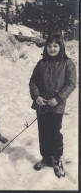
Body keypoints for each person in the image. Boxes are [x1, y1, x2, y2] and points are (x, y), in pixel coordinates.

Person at [29, 34, 76, 178]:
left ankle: (56, 159)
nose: (52, 49)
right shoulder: (41, 63)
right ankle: (46, 157)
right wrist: (36, 96)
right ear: (46, 47)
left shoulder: (68, 63)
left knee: (54, 131)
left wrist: (58, 99)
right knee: (43, 130)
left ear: (61, 47)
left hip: (57, 105)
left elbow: (71, 84)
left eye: (55, 46)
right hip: (42, 103)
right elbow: (33, 82)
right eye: (49, 46)